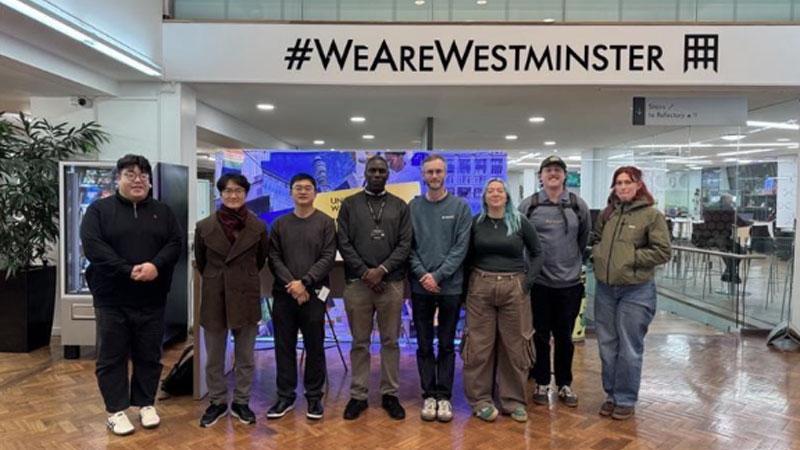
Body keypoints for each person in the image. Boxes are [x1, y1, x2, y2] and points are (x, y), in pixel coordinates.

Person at [80, 154, 183, 436]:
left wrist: (155, 266)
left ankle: (146, 403)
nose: (137, 179)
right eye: (130, 174)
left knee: (149, 353)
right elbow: (93, 247)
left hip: (153, 298)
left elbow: (175, 244)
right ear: (118, 178)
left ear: (149, 181)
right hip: (111, 298)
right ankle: (115, 411)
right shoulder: (99, 211)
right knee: (111, 356)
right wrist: (128, 269)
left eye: (143, 175)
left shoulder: (163, 211)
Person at [591, 166, 671, 420]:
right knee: (606, 346)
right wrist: (598, 254)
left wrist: (630, 257)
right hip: (605, 289)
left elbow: (662, 252)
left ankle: (625, 398)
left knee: (629, 347)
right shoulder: (608, 214)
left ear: (638, 186)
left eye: (628, 182)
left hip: (636, 291)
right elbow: (595, 240)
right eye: (619, 182)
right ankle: (611, 395)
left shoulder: (651, 216)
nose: (623, 187)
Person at [337, 155, 413, 421]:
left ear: (388, 175)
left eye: (382, 170)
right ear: (365, 173)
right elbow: (343, 242)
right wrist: (365, 272)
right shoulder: (349, 204)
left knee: (390, 342)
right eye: (373, 170)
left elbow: (405, 244)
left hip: (390, 284)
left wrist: (381, 271)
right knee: (359, 342)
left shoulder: (400, 206)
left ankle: (390, 394)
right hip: (358, 284)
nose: (378, 174)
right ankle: (358, 395)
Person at [462, 178, 543, 423]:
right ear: (484, 197)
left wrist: (526, 284)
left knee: (514, 346)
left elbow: (537, 253)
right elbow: (467, 258)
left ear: (507, 196)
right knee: (479, 346)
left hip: (513, 287)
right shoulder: (476, 223)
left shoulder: (520, 221)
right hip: (481, 286)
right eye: (490, 190)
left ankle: (513, 401)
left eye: (500, 190)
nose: (495, 194)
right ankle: (480, 400)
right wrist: (466, 291)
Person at [195, 173, 268, 428]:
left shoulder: (258, 227)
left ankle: (241, 402)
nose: (233, 195)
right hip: (215, 295)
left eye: (238, 191)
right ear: (221, 194)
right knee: (214, 356)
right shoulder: (204, 227)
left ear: (245, 194)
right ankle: (216, 402)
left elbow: (260, 260)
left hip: (246, 294)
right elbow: (202, 263)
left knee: (245, 355)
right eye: (228, 191)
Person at [518, 155, 591, 408]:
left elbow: (582, 241)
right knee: (539, 335)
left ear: (564, 175)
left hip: (569, 284)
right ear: (541, 176)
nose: (553, 174)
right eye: (548, 170)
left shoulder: (577, 205)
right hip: (539, 284)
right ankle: (541, 381)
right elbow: (520, 240)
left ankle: (564, 383)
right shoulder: (529, 205)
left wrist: (570, 262)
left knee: (564, 337)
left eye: (558, 170)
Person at [267, 173, 337, 421]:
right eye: (298, 188)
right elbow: (274, 258)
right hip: (285, 295)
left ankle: (314, 397)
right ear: (291, 192)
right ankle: (285, 396)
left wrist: (305, 283)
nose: (303, 192)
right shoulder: (279, 224)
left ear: (316, 193)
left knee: (314, 346)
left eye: (308, 188)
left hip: (315, 294)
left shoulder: (326, 223)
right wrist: (293, 285)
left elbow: (328, 257)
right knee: (283, 346)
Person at [408, 154, 472, 422]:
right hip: (421, 287)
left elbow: (461, 248)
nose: (434, 176)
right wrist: (424, 275)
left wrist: (439, 275)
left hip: (451, 287)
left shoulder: (460, 207)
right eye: (429, 172)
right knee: (423, 344)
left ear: (445, 174)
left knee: (446, 344)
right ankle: (429, 395)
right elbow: (407, 247)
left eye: (438, 172)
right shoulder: (413, 208)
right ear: (423, 175)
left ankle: (444, 396)